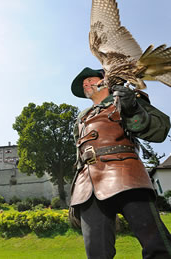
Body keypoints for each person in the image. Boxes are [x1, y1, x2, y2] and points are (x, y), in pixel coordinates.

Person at [69, 67, 171, 258]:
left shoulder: (127, 98)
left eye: (90, 80)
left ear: (104, 80)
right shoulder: (81, 118)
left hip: (126, 176)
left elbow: (159, 130)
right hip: (88, 187)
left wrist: (131, 108)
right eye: (84, 85)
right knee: (97, 254)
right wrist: (75, 191)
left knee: (158, 247)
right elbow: (79, 155)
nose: (86, 85)